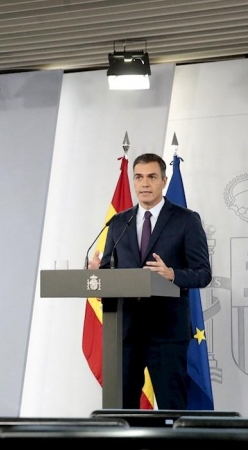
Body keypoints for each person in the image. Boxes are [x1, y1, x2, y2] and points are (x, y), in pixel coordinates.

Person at [87, 152, 211, 409]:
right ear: (133, 181)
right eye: (139, 177)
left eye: (152, 177)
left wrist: (173, 274)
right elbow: (111, 268)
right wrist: (99, 274)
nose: (144, 184)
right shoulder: (119, 221)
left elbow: (203, 273)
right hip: (126, 332)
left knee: (171, 408)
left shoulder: (186, 220)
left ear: (164, 181)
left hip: (167, 333)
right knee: (121, 408)